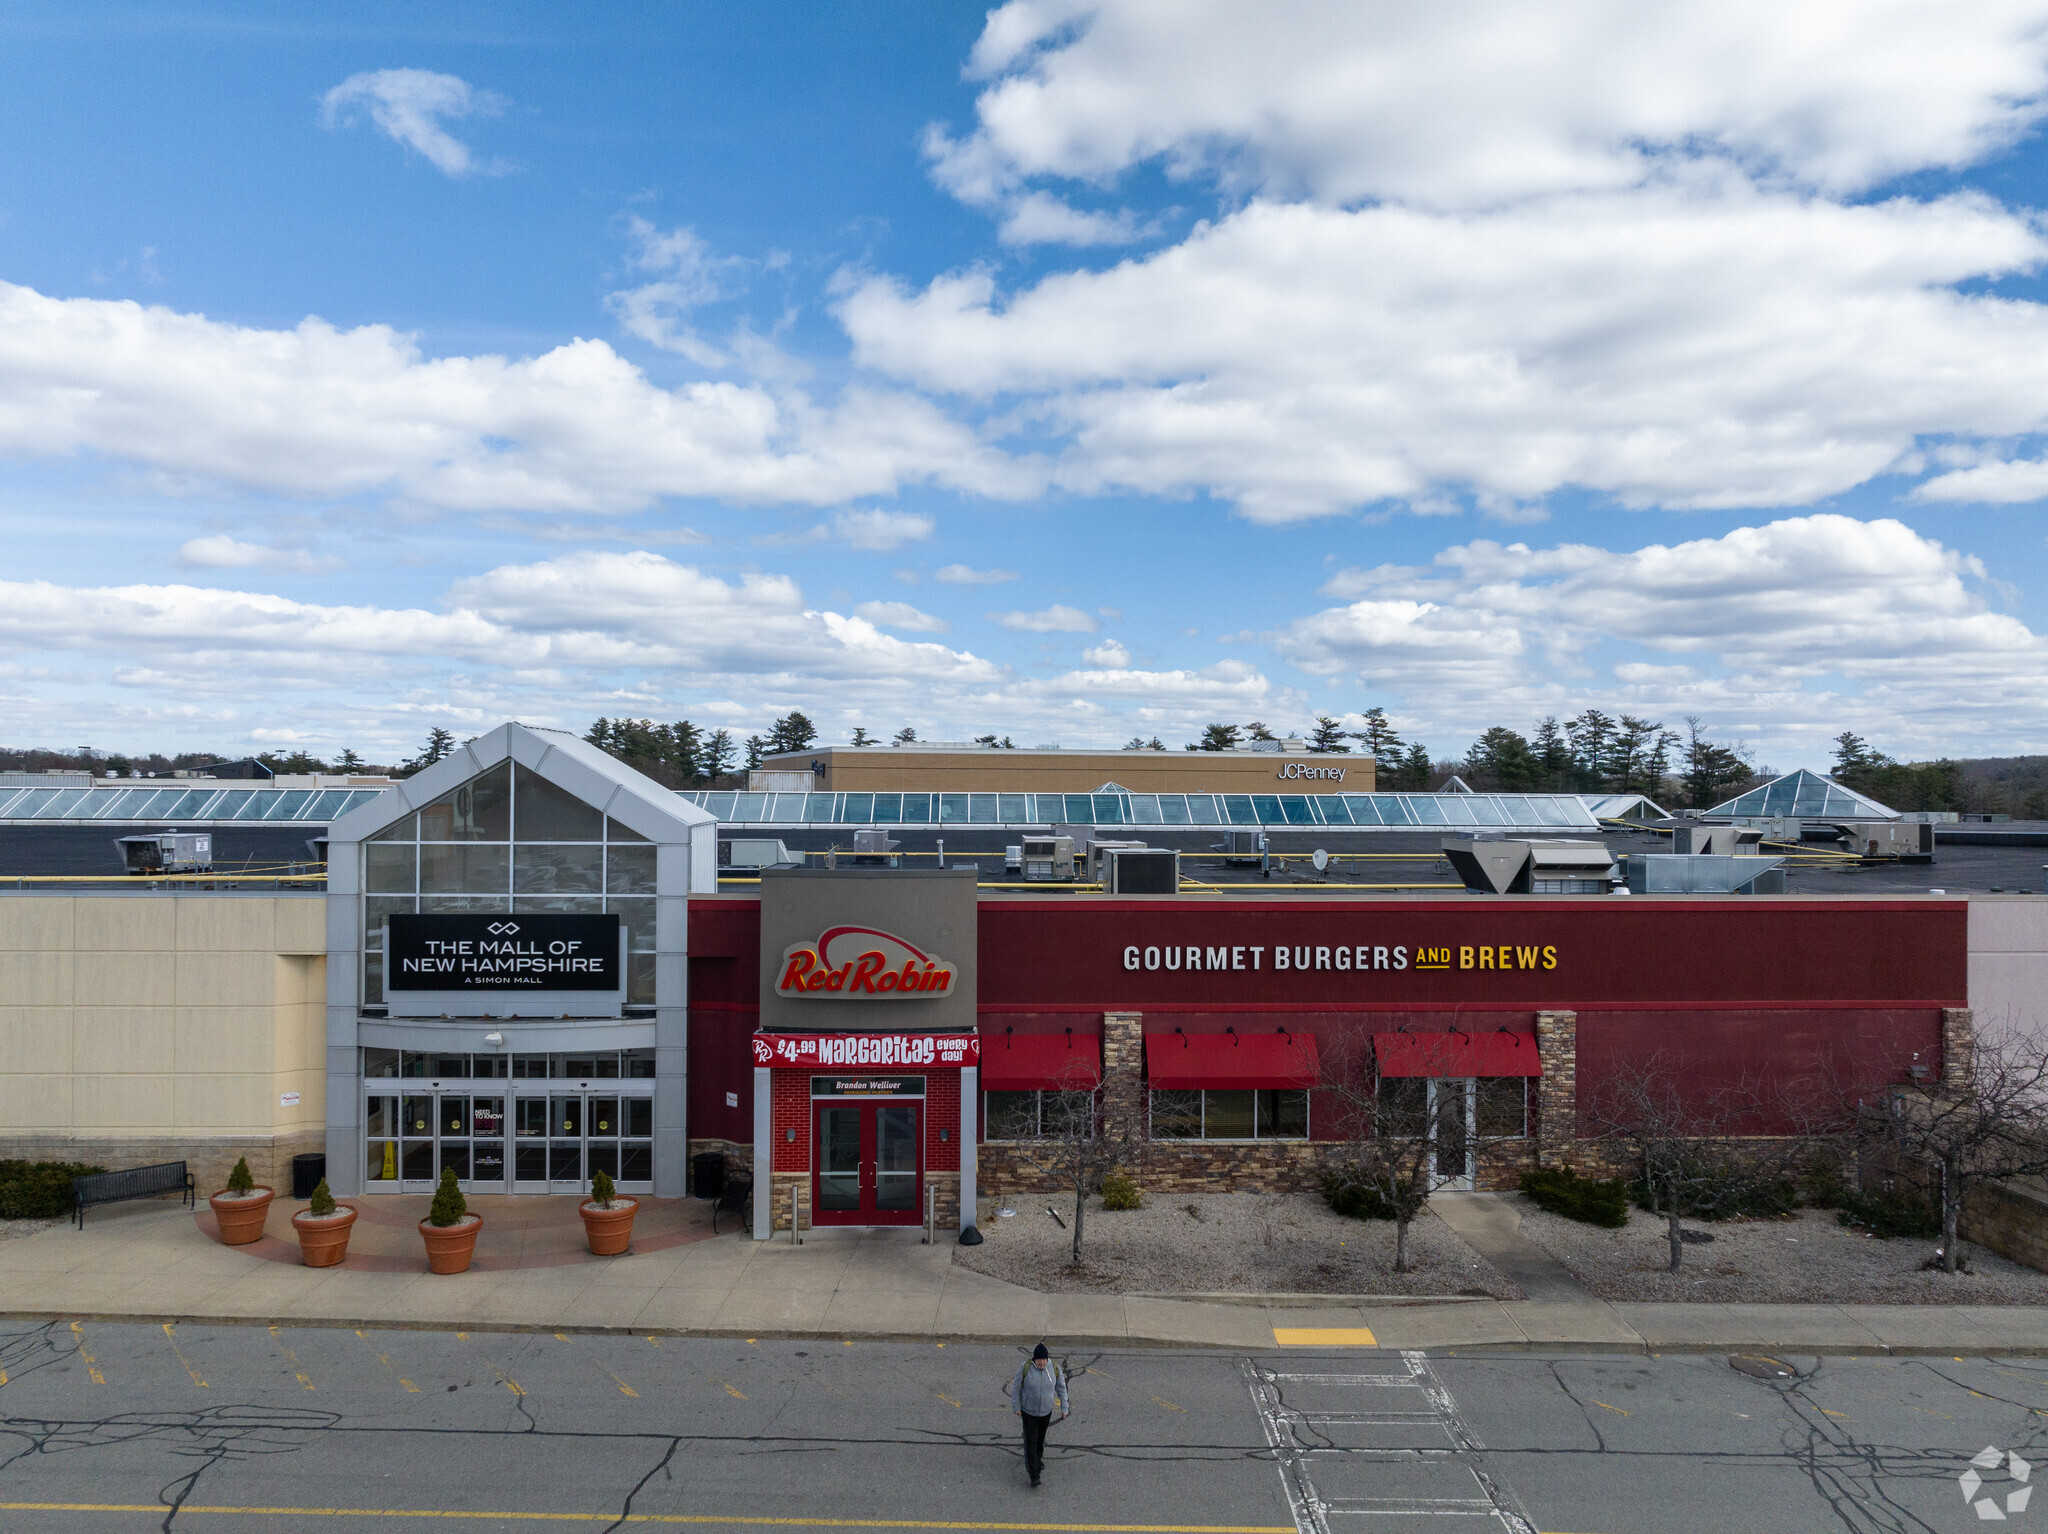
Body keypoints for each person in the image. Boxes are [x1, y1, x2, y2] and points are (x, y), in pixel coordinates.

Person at [1009, 1342, 1070, 1487]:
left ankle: (1038, 1459)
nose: (1042, 1363)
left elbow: (1061, 1388)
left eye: (1044, 1360)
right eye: (1039, 1360)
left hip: (1046, 1412)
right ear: (1034, 1359)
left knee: (1040, 1439)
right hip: (1028, 1412)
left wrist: (1064, 1407)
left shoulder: (1054, 1368)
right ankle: (1034, 1474)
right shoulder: (1025, 1368)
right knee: (1030, 1441)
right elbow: (1016, 1388)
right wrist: (1016, 1406)